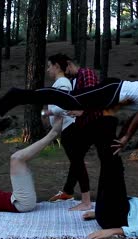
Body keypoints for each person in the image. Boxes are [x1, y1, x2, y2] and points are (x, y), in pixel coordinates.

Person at [0, 78, 138, 154]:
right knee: (70, 99)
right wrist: (126, 137)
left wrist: (120, 139)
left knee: (71, 101)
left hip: (112, 97)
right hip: (112, 91)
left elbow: (134, 112)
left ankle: (20, 96)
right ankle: (19, 95)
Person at [44, 54, 102, 211]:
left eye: (50, 66)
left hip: (90, 124)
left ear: (65, 65)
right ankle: (69, 191)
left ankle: (86, 201)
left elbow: (92, 96)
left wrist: (48, 112)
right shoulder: (72, 81)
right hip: (79, 125)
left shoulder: (85, 74)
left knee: (78, 162)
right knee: (76, 161)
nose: (49, 69)